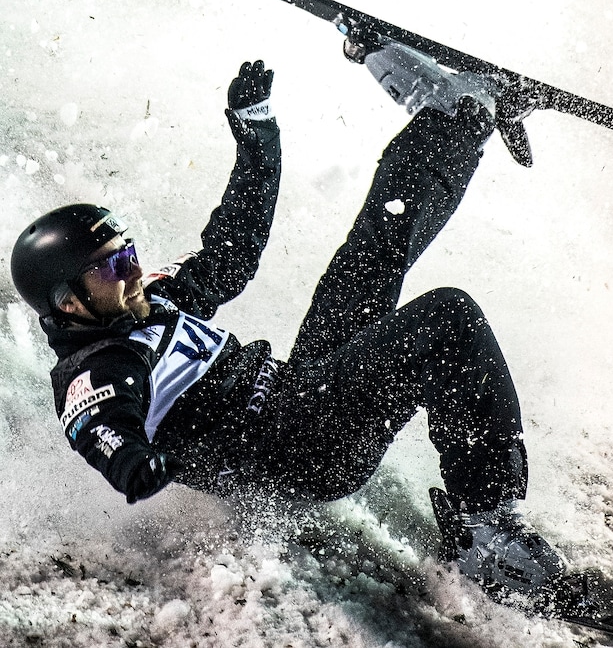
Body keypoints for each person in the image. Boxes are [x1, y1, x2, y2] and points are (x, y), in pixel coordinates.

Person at [11, 43, 564, 596]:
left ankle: (461, 118)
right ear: (68, 302)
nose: (132, 268)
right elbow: (102, 427)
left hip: (301, 392)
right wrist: (134, 464)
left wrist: (257, 135)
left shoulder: (147, 301)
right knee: (447, 317)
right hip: (296, 448)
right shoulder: (101, 364)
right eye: (112, 266)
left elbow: (234, 249)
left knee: (370, 257)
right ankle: (484, 529)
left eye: (128, 251)